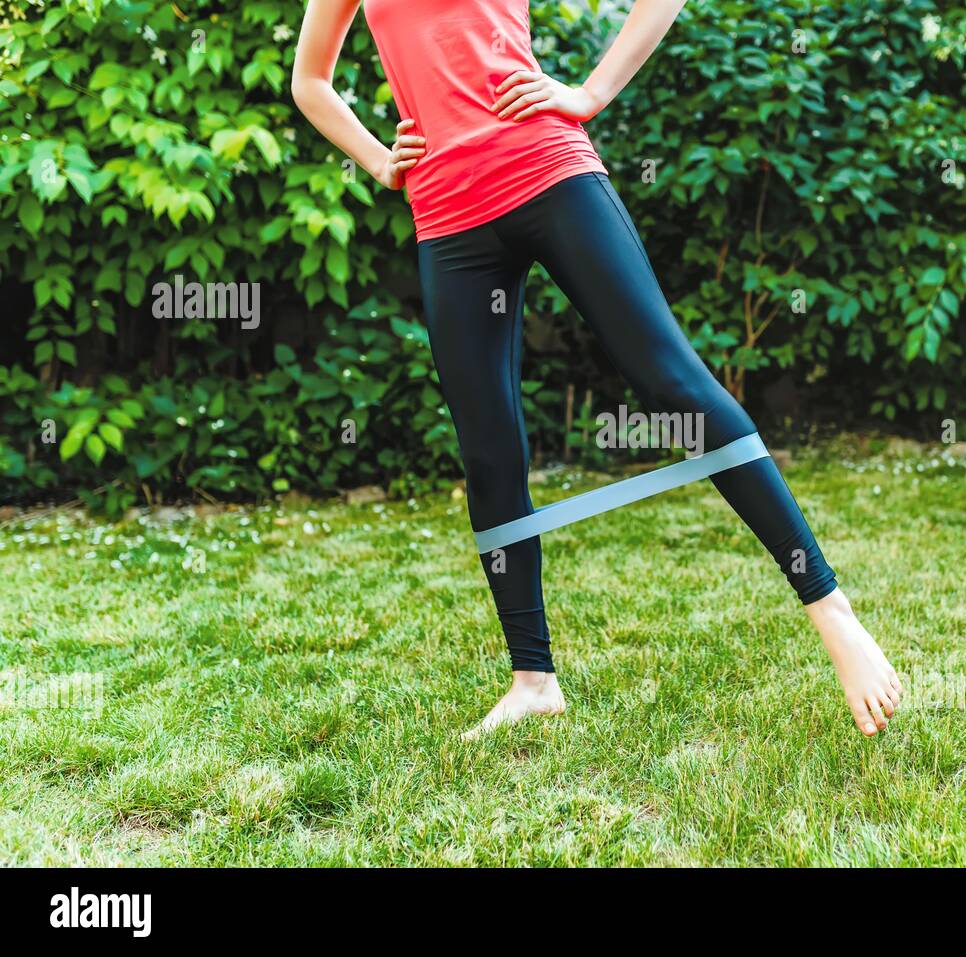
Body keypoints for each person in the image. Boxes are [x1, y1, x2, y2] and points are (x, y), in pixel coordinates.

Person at [291, 0, 901, 739]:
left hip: (548, 172)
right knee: (487, 446)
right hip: (447, 213)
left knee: (671, 382)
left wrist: (589, 93)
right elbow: (310, 80)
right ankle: (532, 680)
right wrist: (379, 159)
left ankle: (831, 610)